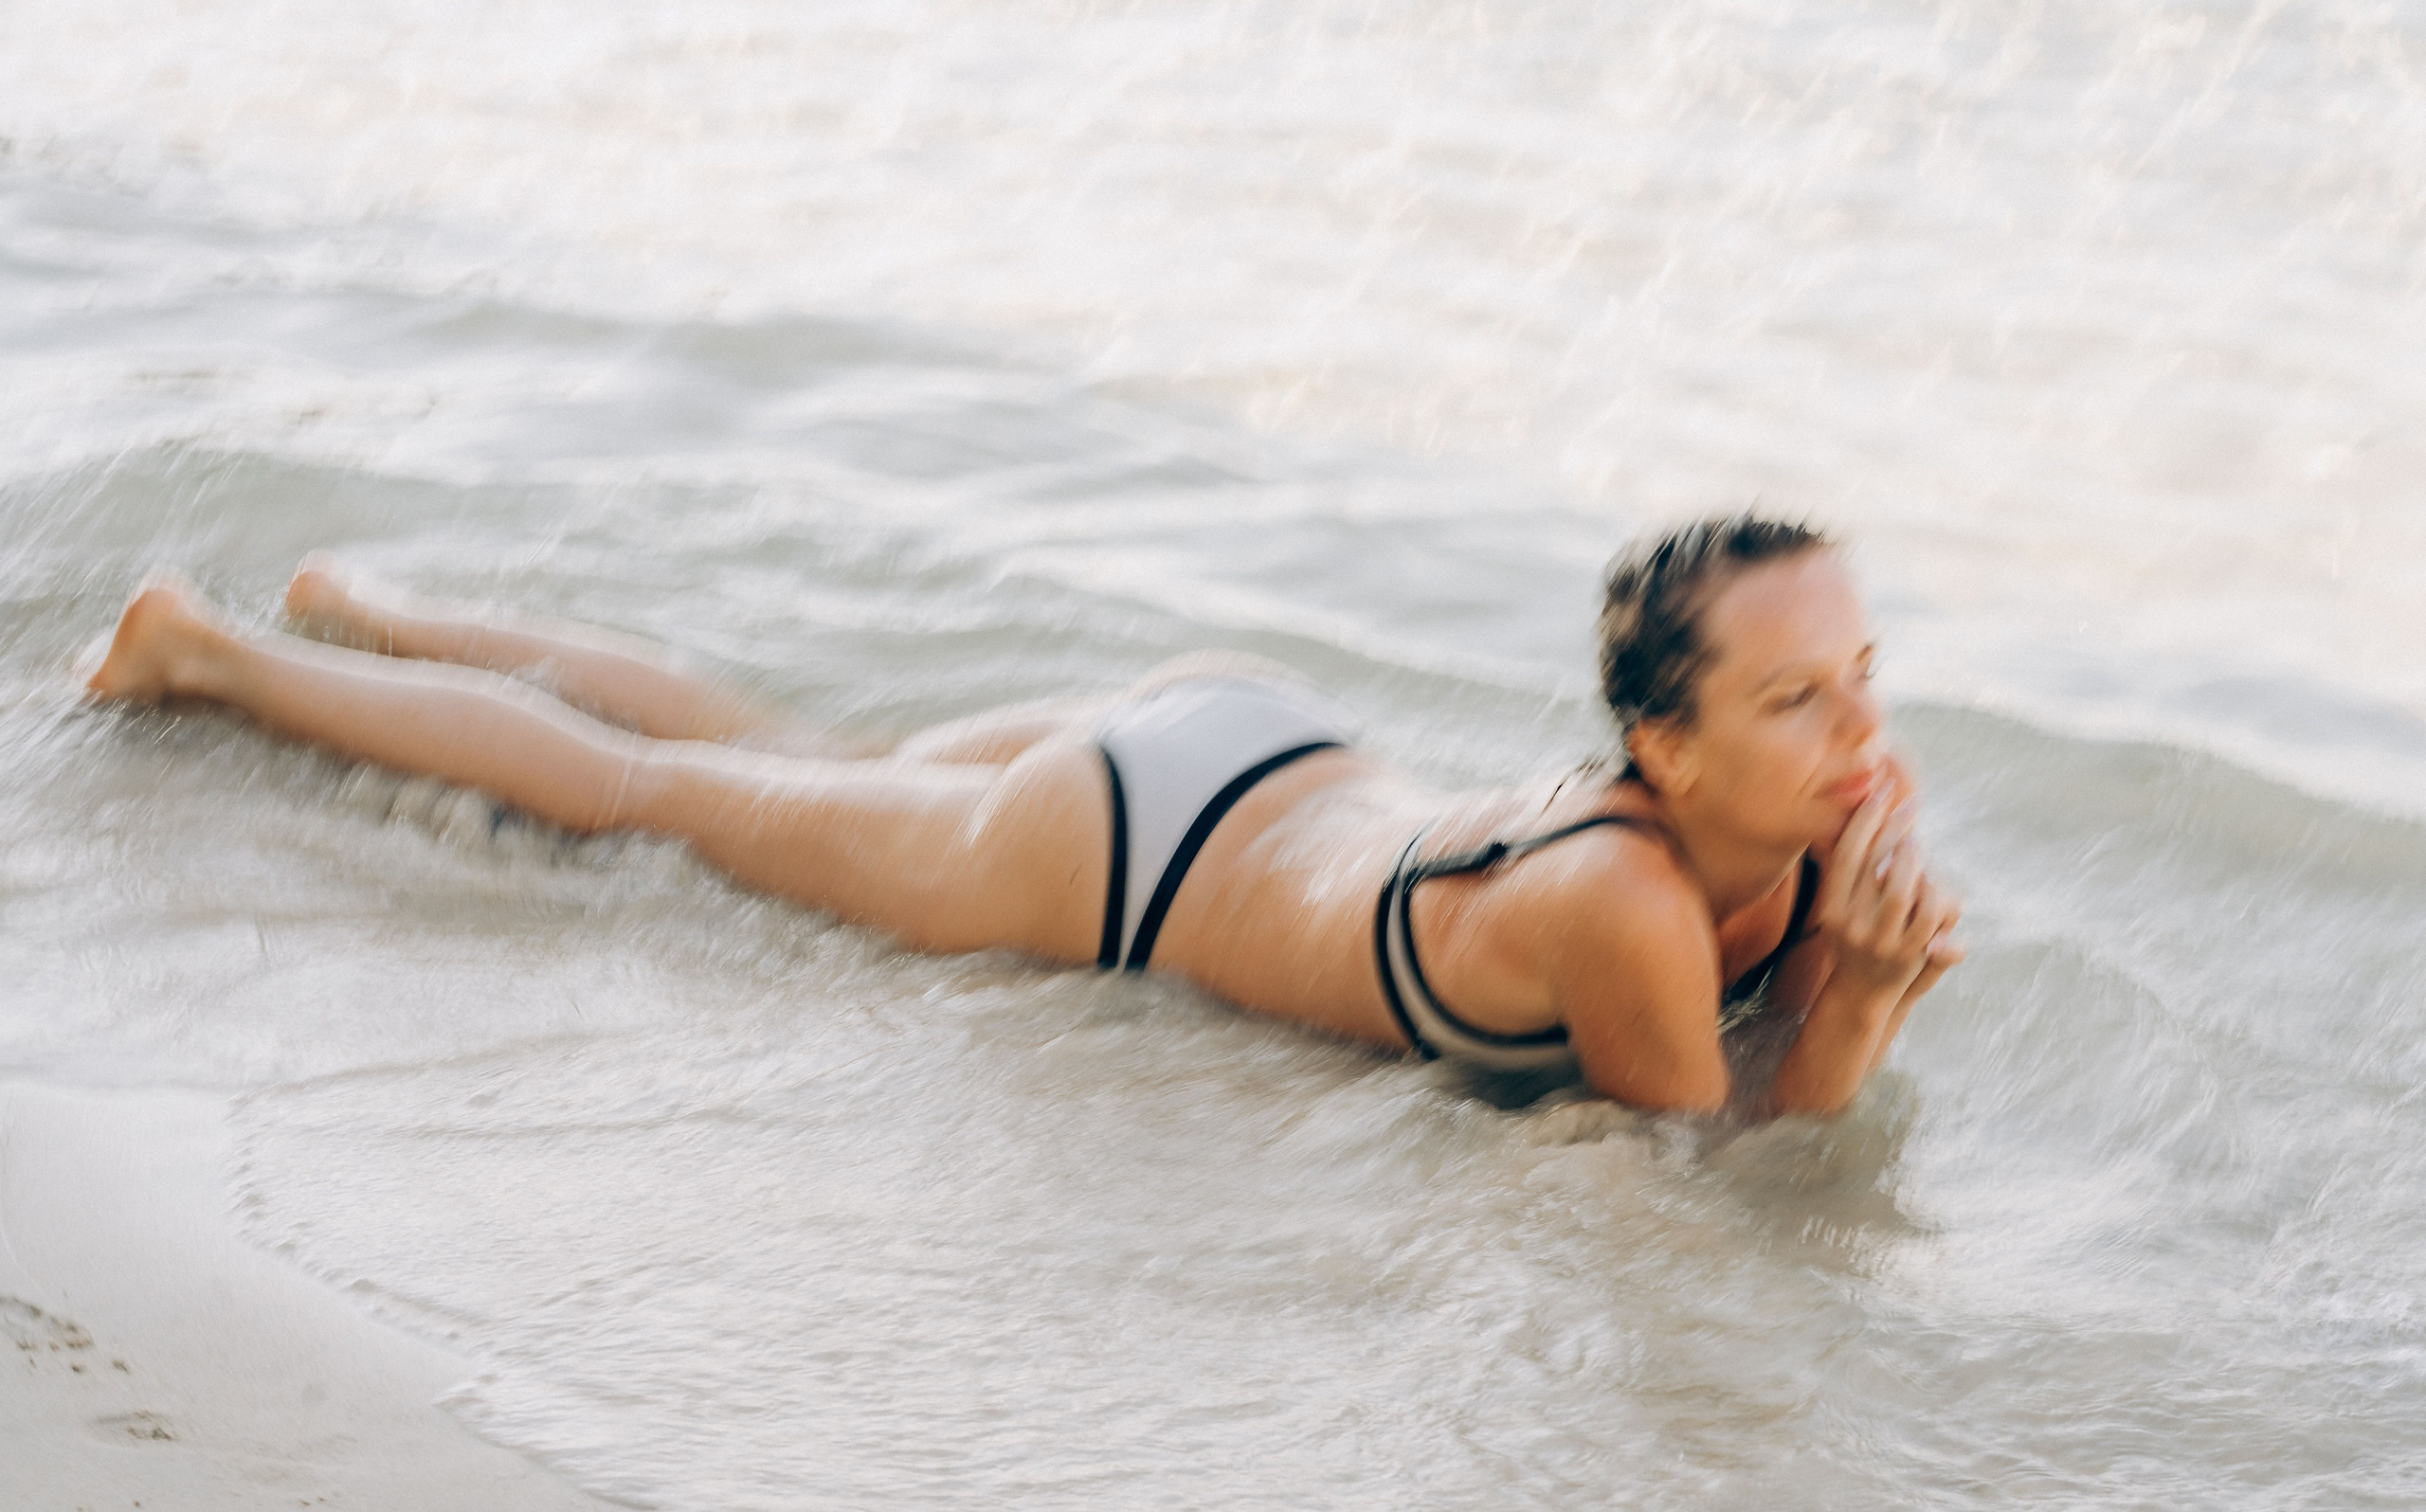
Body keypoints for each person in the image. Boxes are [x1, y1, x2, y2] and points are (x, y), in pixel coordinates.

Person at [82, 515, 1962, 1117]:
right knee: (646, 794)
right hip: (1120, 855)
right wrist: (1859, 1008)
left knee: (788, 741)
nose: (1853, 723)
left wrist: (1837, 971)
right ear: (1663, 740)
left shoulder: (1788, 828)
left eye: (1858, 671)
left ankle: (363, 608)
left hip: (1251, 750)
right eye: (1793, 695)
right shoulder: (1627, 902)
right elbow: (1735, 1179)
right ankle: (216, 658)